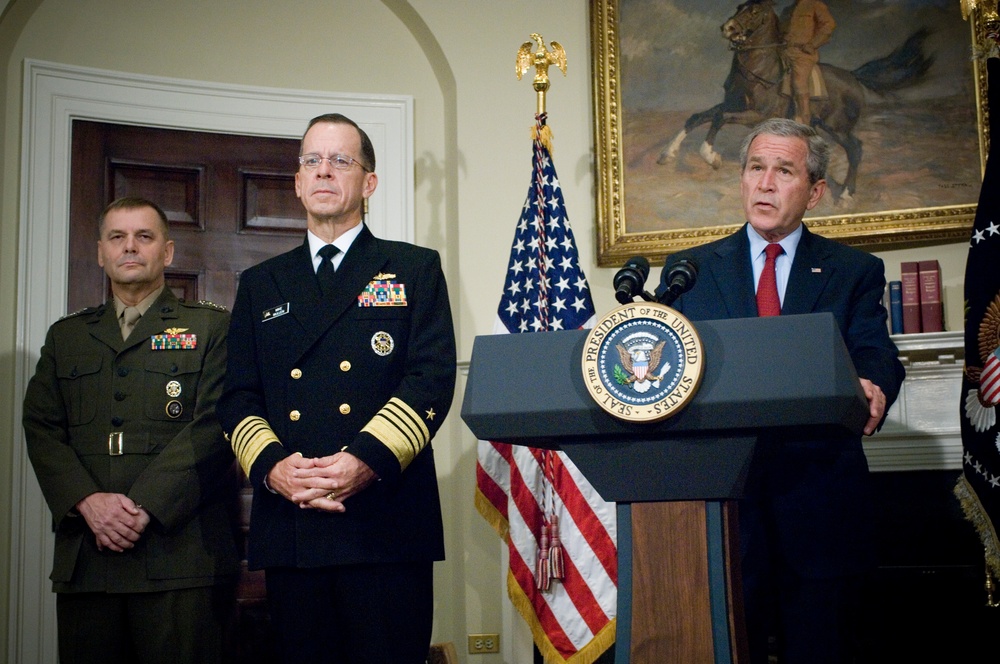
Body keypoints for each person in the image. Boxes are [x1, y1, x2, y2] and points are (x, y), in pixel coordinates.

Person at [656, 118, 904, 664]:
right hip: (722, 504)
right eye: (755, 168)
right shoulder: (690, 270)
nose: (765, 183)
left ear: (814, 192)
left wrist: (874, 384)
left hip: (817, 499)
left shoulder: (853, 270)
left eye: (784, 171)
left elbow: (875, 351)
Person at [217, 113, 457, 663]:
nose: (324, 172)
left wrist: (364, 461)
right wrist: (274, 468)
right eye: (312, 161)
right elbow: (237, 396)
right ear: (298, 181)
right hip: (294, 520)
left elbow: (431, 378)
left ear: (368, 182)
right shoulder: (261, 285)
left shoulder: (413, 269)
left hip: (385, 521)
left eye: (341, 161)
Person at [22, 196, 240, 664]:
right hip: (88, 556)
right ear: (100, 251)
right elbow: (41, 426)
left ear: (168, 251)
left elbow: (216, 425)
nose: (130, 247)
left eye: (144, 236)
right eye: (117, 237)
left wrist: (144, 508)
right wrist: (88, 501)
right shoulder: (68, 336)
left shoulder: (211, 327)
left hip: (181, 557)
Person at [780, 0, 836, 125]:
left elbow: (829, 25)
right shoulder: (787, 10)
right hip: (784, 51)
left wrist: (813, 44)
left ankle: (803, 119)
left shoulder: (814, 5)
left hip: (802, 54)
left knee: (798, 81)